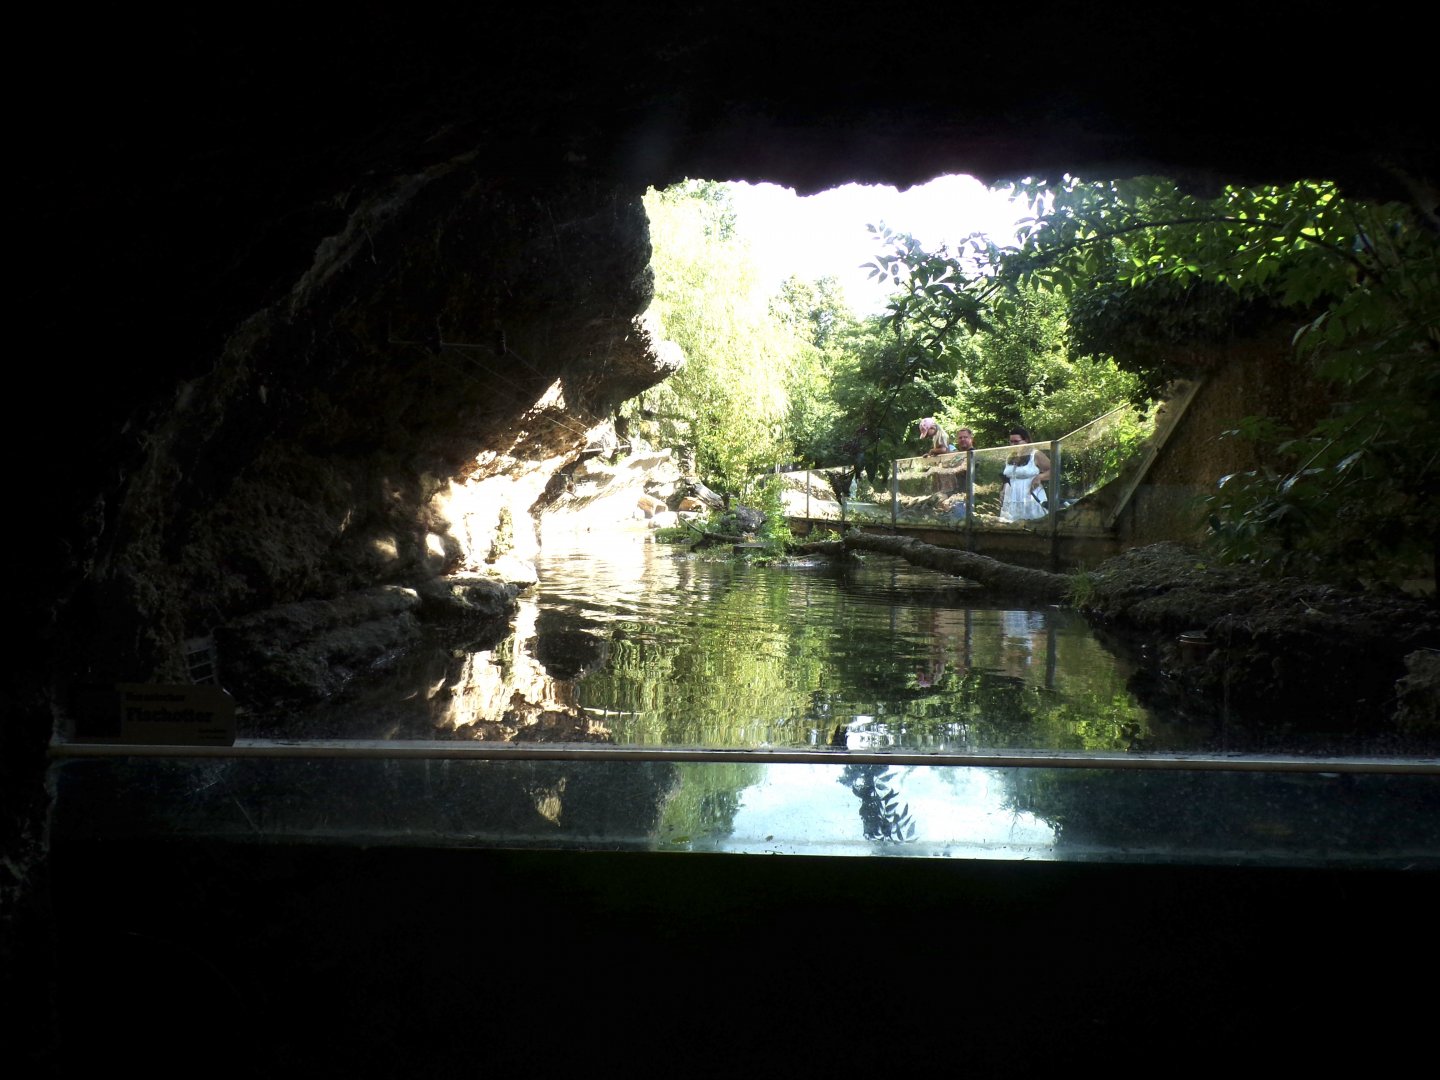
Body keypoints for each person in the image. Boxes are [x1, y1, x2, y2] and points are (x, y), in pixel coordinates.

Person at [998, 425, 1051, 522]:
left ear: (1026, 440)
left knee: (1033, 525)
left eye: (1016, 441)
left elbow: (1053, 470)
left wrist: (1040, 477)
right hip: (1011, 496)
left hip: (1029, 495)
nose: (1013, 445)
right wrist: (1004, 488)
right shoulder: (1010, 456)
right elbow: (1008, 476)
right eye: (1011, 442)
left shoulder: (1035, 454)